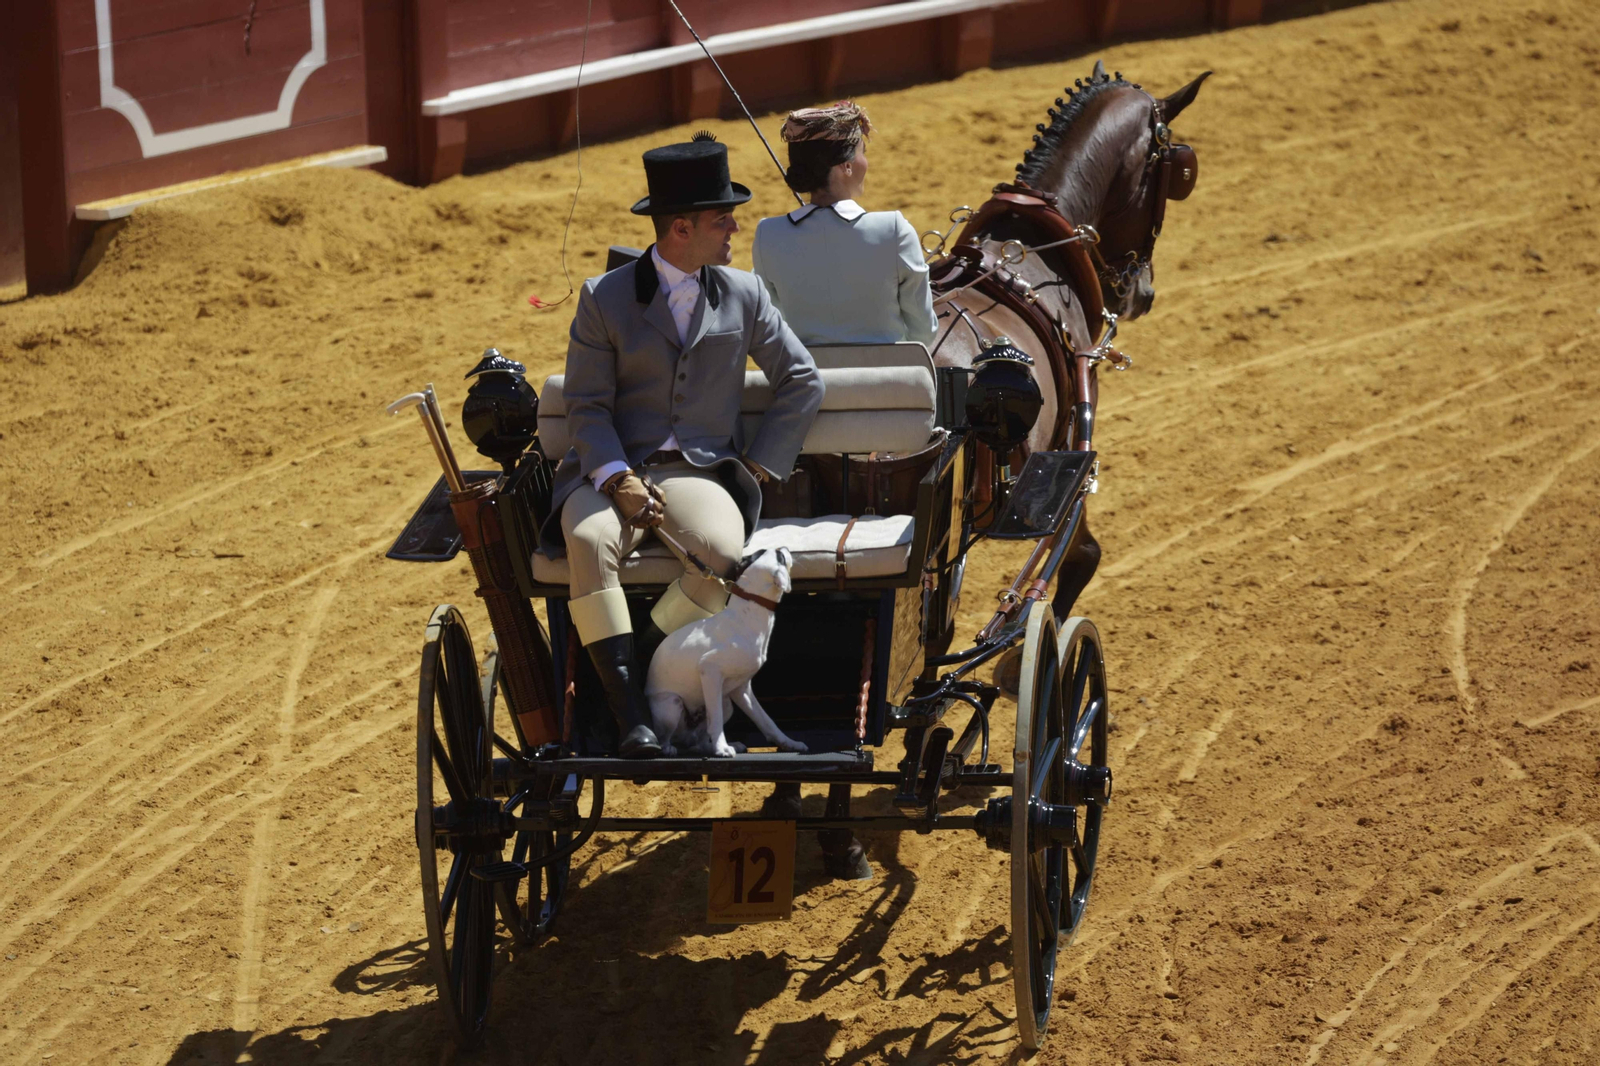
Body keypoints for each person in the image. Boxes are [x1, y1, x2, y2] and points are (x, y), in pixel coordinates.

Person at [539, 134, 823, 759]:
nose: (734, 228)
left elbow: (802, 378)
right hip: (612, 471)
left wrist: (752, 466)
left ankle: (643, 671)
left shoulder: (745, 293)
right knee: (587, 542)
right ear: (679, 229)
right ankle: (630, 720)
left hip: (701, 473)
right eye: (723, 219)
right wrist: (617, 478)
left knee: (720, 550)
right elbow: (586, 405)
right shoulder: (602, 298)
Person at [751, 101, 937, 347]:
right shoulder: (893, 228)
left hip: (808, 381)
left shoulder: (768, 234)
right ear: (846, 166)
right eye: (863, 152)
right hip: (890, 379)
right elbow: (923, 332)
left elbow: (772, 327)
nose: (866, 163)